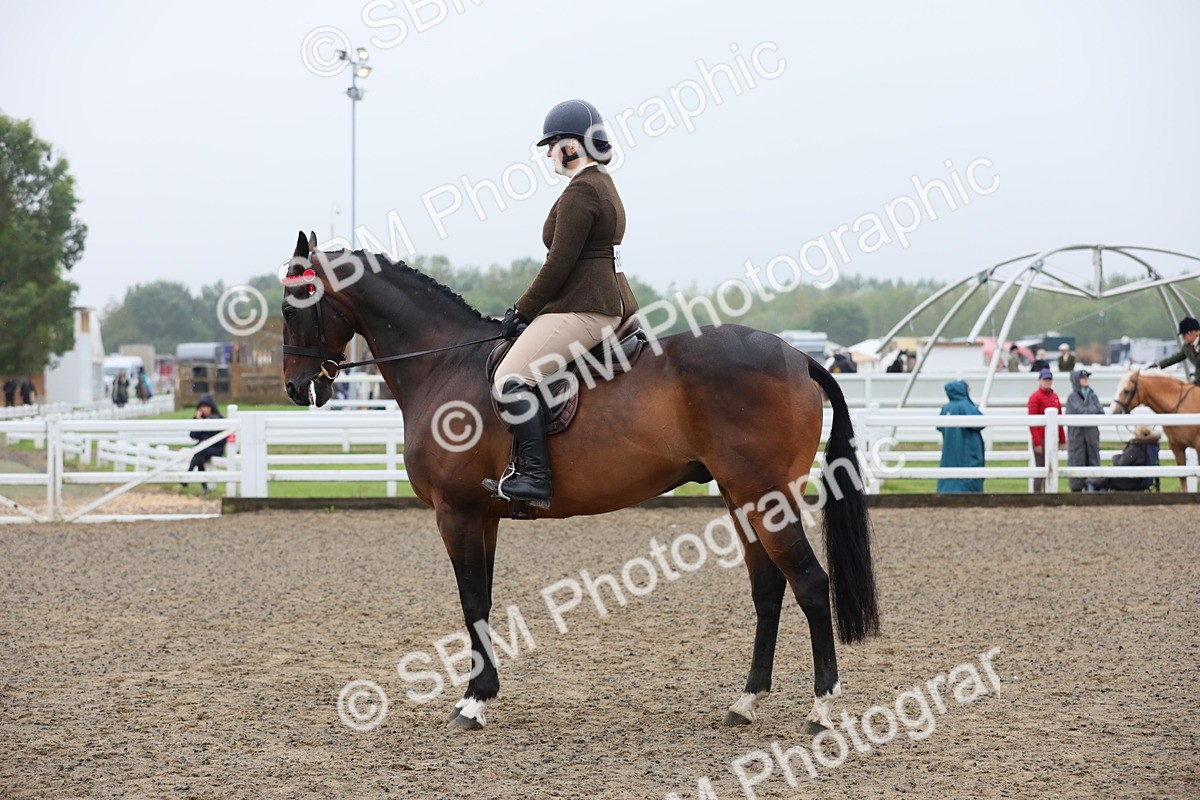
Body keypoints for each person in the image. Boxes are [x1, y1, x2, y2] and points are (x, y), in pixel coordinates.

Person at [482, 99, 640, 507]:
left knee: (510, 379)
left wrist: (521, 309)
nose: (549, 154)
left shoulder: (582, 191)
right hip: (600, 301)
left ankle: (535, 477)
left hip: (586, 308)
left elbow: (558, 264)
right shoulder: (603, 183)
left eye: (551, 145)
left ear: (572, 147)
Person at [936, 380, 985, 493]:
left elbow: (939, 427)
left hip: (950, 449)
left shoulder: (946, 408)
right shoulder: (965, 406)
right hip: (967, 450)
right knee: (967, 477)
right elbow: (980, 422)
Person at [1027, 368, 1065, 493]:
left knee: (1051, 466)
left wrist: (1062, 438)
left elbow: (1059, 419)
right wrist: (1037, 441)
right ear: (1040, 380)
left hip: (1052, 438)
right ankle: (1038, 495)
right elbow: (1032, 422)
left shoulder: (1054, 396)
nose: (1048, 382)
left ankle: (1048, 493)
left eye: (1049, 379)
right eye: (1045, 379)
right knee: (1040, 469)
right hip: (1041, 438)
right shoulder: (1035, 397)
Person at [1064, 368, 1102, 491]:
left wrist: (1091, 410)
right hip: (1078, 437)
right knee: (1077, 461)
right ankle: (1077, 490)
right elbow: (1081, 412)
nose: (1086, 379)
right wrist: (1093, 409)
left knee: (1093, 461)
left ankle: (1093, 487)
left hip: (1091, 437)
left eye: (1087, 377)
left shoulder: (1093, 395)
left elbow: (1101, 412)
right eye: (1082, 377)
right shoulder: (1072, 398)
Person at [1095, 425, 1160, 492]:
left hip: (1130, 481)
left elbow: (1120, 463)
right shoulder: (1151, 446)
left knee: (1095, 481)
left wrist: (1115, 457)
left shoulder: (1136, 447)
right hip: (1141, 481)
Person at [184, 395, 226, 495]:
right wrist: (197, 421)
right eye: (202, 407)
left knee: (199, 452)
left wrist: (206, 441)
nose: (204, 409)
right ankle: (204, 487)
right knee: (199, 457)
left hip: (215, 448)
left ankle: (187, 476)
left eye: (206, 407)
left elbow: (220, 439)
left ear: (211, 407)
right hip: (202, 450)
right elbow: (193, 436)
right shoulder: (201, 419)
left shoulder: (218, 419)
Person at [1153, 316, 1200, 385]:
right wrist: (1158, 365)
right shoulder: (1187, 347)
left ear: (1191, 332)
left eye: (1184, 335)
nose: (1183, 338)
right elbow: (1175, 358)